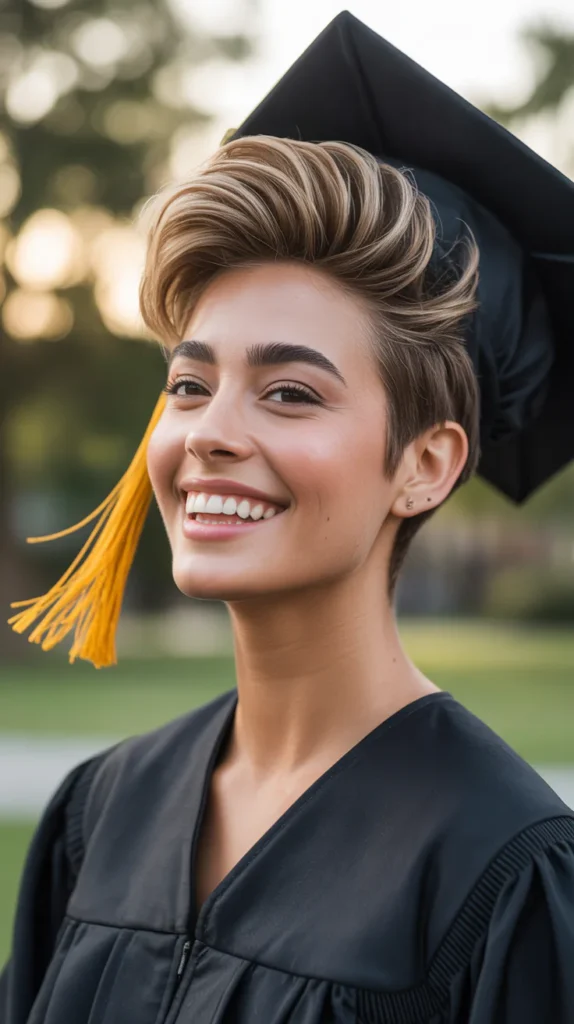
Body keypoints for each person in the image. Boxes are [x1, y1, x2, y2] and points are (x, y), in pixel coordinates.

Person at [2, 13, 574, 1024]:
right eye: (189, 385)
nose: (210, 433)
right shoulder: (101, 812)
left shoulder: (504, 870)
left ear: (426, 465)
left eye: (291, 393)